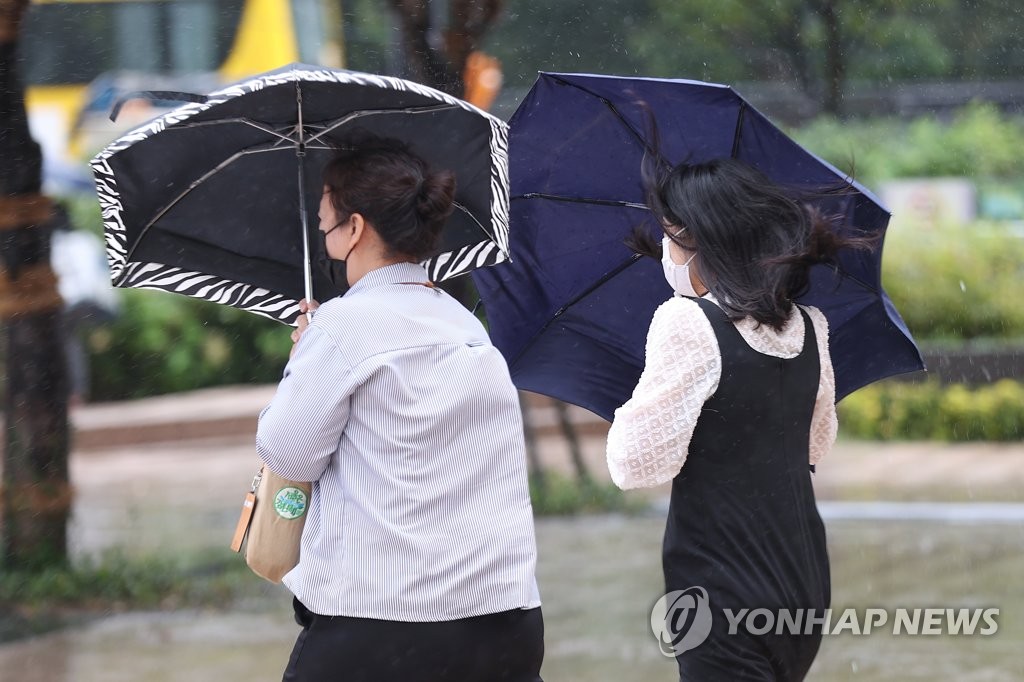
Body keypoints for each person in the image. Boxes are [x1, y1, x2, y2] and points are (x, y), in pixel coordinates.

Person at [257, 135, 544, 682]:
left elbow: (288, 454)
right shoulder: (466, 326)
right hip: (504, 623)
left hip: (383, 626)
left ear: (355, 229)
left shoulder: (340, 327)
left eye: (326, 224)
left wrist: (302, 359)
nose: (323, 234)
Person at [606, 158, 869, 681]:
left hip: (719, 586)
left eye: (669, 239)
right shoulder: (811, 326)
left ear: (705, 244)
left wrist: (645, 397)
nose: (665, 253)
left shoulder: (684, 321)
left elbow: (633, 465)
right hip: (800, 577)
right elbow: (814, 446)